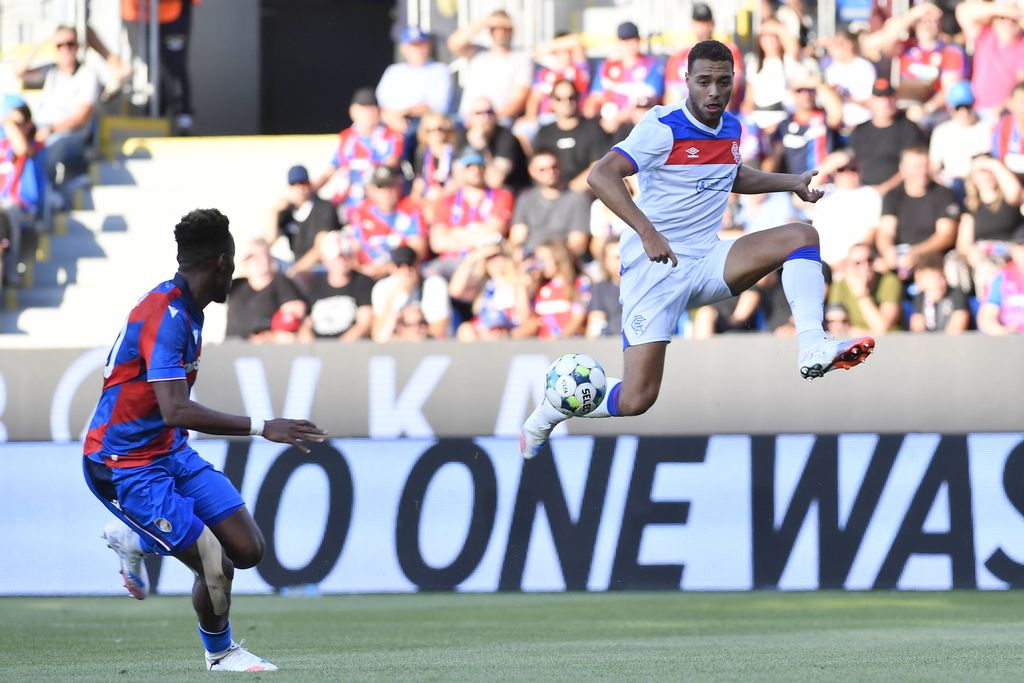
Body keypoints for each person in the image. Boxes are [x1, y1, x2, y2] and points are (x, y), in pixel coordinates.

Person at [520, 40, 875, 458]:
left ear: (733, 83)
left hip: (707, 260)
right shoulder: (662, 125)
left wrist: (791, 182)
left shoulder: (732, 128)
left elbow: (731, 174)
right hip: (654, 269)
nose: (713, 92)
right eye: (704, 81)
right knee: (637, 399)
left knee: (801, 236)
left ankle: (812, 344)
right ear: (686, 80)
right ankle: (550, 411)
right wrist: (647, 231)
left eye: (722, 82)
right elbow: (601, 176)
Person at [83, 208, 326, 672]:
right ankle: (220, 653)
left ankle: (138, 539)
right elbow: (175, 408)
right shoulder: (167, 314)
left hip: (169, 451)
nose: (232, 277)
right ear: (221, 261)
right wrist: (263, 426)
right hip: (123, 463)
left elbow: (169, 416)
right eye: (232, 266)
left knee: (247, 549)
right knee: (216, 563)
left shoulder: (189, 309)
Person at [14, 26, 100, 189]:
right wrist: (39, 45)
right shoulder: (51, 70)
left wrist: (51, 129)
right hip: (42, 129)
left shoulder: (87, 75)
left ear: (77, 46)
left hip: (70, 134)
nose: (66, 49)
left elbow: (81, 118)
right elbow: (18, 71)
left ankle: (43, 199)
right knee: (12, 138)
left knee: (49, 149)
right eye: (60, 45)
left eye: (70, 44)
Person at [863, 2, 967, 128]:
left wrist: (926, 109)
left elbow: (950, 88)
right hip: (903, 109)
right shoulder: (905, 47)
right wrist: (912, 15)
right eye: (923, 21)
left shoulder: (950, 51)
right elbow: (873, 45)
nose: (928, 25)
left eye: (933, 21)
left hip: (934, 114)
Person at [821, 78, 927, 198]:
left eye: (888, 97)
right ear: (871, 101)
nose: (885, 102)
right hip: (860, 191)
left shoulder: (909, 129)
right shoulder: (860, 130)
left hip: (895, 194)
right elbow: (850, 161)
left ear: (895, 99)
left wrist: (883, 189)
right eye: (879, 98)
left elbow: (911, 167)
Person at [426, 149, 515, 281]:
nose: (475, 171)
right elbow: (437, 242)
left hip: (485, 261)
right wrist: (476, 232)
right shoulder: (446, 201)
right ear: (460, 171)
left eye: (478, 166)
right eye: (469, 166)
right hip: (451, 261)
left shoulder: (501, 195)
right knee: (430, 277)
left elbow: (494, 234)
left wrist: (454, 232)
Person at [314, 88, 404, 216]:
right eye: (364, 108)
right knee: (317, 210)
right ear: (352, 111)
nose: (369, 113)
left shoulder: (392, 136)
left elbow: (391, 165)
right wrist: (311, 188)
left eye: (372, 108)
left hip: (376, 200)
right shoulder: (346, 138)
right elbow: (331, 168)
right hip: (347, 200)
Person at [876, 145, 960, 281]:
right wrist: (887, 251)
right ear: (903, 168)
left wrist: (917, 252)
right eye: (916, 167)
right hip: (900, 257)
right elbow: (885, 232)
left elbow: (946, 235)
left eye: (925, 166)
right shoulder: (892, 196)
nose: (922, 172)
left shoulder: (944, 195)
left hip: (932, 257)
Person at [449, 10, 533, 127]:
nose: (501, 33)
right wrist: (485, 22)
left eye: (505, 29)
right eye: (495, 28)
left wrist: (489, 117)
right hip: (467, 119)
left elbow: (519, 99)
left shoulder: (521, 60)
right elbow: (455, 44)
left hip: (499, 122)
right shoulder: (478, 53)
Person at [956, 154, 1024, 297]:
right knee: (953, 262)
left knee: (986, 267)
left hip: (1006, 252)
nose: (985, 176)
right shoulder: (971, 205)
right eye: (980, 171)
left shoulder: (1009, 199)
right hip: (979, 252)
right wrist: (971, 251)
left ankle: (987, 308)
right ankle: (959, 304)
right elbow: (963, 242)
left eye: (988, 170)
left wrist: (992, 164)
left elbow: (1015, 192)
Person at [584, 21, 665, 137]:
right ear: (618, 42)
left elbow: (648, 100)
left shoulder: (652, 65)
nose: (628, 44)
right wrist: (594, 109)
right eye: (624, 40)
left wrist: (618, 118)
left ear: (638, 40)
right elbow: (595, 96)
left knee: (640, 115)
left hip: (634, 122)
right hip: (609, 119)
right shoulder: (607, 65)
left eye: (631, 39)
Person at [346, 165, 426, 279]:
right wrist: (361, 270)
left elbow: (418, 251)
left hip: (400, 274)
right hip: (366, 275)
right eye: (381, 186)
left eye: (391, 185)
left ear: (399, 186)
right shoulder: (362, 212)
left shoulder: (411, 210)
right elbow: (353, 250)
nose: (387, 191)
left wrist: (386, 269)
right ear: (371, 190)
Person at [509, 148, 591, 258]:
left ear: (560, 166)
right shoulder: (525, 199)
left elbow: (578, 245)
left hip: (563, 260)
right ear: (531, 171)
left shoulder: (577, 199)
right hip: (530, 259)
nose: (550, 172)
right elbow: (517, 239)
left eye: (554, 166)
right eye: (542, 169)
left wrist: (549, 258)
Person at [375, 27, 452, 142]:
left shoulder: (440, 70)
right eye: (413, 45)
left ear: (429, 45)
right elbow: (381, 105)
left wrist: (403, 112)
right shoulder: (393, 71)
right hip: (392, 122)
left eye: (421, 44)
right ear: (403, 48)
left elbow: (438, 107)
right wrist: (392, 119)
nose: (418, 49)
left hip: (421, 123)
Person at [533, 79, 608, 194]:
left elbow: (598, 166)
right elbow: (537, 167)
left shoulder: (593, 128)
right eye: (559, 99)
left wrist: (570, 191)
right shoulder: (544, 133)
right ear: (551, 102)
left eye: (571, 97)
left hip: (586, 193)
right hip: (552, 192)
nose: (566, 102)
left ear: (578, 98)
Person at [664, 3, 744, 110]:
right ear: (692, 24)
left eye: (706, 22)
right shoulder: (678, 56)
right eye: (699, 23)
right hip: (687, 113)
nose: (703, 27)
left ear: (712, 24)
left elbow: (732, 87)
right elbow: (671, 96)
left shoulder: (729, 50)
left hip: (720, 111)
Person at [225, 238, 307, 342]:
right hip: (231, 347)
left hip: (264, 350)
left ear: (269, 257)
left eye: (259, 256)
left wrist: (271, 336)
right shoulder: (236, 285)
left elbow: (294, 316)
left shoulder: (281, 283)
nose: (255, 261)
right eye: (250, 257)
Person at [266, 165, 341, 275]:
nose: (300, 188)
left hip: (320, 267)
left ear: (309, 184)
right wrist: (274, 212)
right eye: (294, 185)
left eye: (303, 183)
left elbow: (320, 248)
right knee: (262, 262)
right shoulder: (287, 211)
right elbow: (268, 241)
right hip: (295, 264)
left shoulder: (324, 207)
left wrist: (296, 271)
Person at [299, 231, 373, 342]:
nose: (341, 261)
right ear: (325, 259)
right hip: (318, 350)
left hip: (348, 349)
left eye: (345, 255)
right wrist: (312, 350)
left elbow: (364, 324)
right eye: (337, 257)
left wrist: (337, 351)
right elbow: (306, 325)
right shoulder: (315, 285)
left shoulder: (362, 282)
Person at [955, 1, 1024, 119]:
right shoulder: (985, 35)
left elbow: (1021, 85)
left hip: (1005, 114)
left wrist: (1004, 107)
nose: (1007, 23)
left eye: (1013, 20)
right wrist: (1005, 10)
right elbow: (963, 12)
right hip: (975, 111)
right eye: (1002, 18)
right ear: (994, 21)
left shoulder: (1022, 46)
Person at [449, 242, 529, 341]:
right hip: (483, 335)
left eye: (498, 256)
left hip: (508, 333)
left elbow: (525, 319)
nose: (494, 262)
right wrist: (471, 259)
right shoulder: (483, 287)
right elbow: (455, 291)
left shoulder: (518, 285)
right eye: (489, 258)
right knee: (465, 329)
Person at [812, 160, 881, 273]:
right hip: (819, 264)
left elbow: (870, 236)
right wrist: (825, 167)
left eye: (853, 169)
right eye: (841, 169)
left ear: (860, 171)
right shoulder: (824, 191)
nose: (847, 173)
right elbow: (797, 200)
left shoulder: (870, 194)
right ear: (834, 172)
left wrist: (846, 263)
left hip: (852, 266)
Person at [370, 245, 450, 342]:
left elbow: (439, 330)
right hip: (398, 344)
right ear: (392, 268)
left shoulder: (434, 284)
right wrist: (392, 298)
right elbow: (378, 333)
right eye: (400, 266)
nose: (406, 271)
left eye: (410, 264)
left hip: (429, 344)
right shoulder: (383, 287)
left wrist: (413, 327)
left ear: (418, 265)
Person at [928, 82, 993, 197]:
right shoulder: (942, 131)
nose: (965, 112)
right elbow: (934, 166)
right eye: (959, 108)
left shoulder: (988, 128)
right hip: (951, 185)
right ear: (951, 109)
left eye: (968, 107)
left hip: (979, 185)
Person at [828, 242, 904, 334]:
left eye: (870, 260)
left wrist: (862, 295)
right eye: (858, 263)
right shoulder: (840, 285)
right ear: (849, 265)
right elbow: (837, 328)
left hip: (890, 343)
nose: (866, 266)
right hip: (854, 344)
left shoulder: (890, 281)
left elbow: (882, 329)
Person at [456, 96, 530, 191]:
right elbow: (458, 179)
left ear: (495, 116)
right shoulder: (463, 137)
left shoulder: (506, 137)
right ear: (470, 117)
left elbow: (495, 181)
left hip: (511, 191)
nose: (485, 117)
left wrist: (482, 147)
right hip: (477, 193)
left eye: (489, 112)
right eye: (479, 113)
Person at [823, 30, 877, 131]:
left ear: (848, 45)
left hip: (862, 124)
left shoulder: (864, 67)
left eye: (834, 45)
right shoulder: (831, 69)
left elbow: (869, 101)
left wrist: (844, 94)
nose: (830, 50)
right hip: (838, 126)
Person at [977, 227, 1024, 334]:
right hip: (1009, 341)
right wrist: (1003, 332)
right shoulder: (1002, 277)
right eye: (1021, 248)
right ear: (1013, 250)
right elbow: (987, 317)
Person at [908, 253, 970, 333]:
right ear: (919, 280)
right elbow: (917, 329)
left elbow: (957, 327)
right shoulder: (920, 298)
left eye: (941, 277)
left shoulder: (957, 295)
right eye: (932, 279)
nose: (937, 283)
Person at [990, 82, 1024, 181]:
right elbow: (997, 159)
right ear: (1010, 104)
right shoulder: (1003, 126)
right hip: (1009, 180)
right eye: (1022, 101)